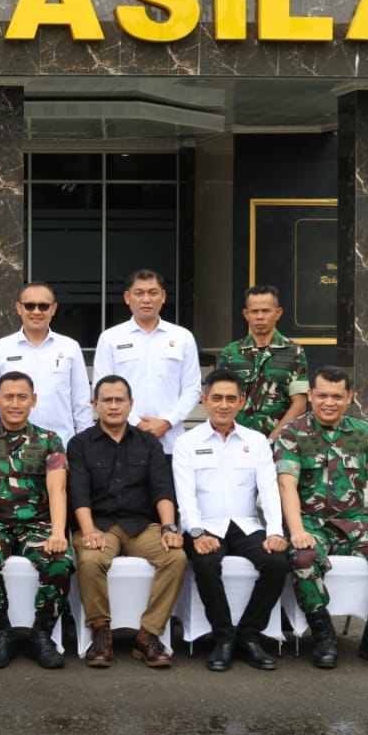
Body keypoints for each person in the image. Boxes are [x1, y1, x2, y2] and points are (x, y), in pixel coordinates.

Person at [277, 365, 368, 670]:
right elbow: (286, 485)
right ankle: (324, 636)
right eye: (323, 395)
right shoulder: (293, 433)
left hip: (354, 522)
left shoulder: (362, 432)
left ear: (349, 397)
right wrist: (297, 529)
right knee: (302, 558)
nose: (330, 402)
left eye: (337, 396)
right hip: (312, 523)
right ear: (310, 395)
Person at [172, 369, 289, 672]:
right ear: (204, 401)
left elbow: (270, 490)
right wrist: (196, 533)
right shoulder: (187, 443)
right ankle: (223, 637)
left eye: (230, 399)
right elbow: (185, 498)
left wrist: (275, 531)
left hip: (246, 524)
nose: (223, 405)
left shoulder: (257, 441)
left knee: (277, 562)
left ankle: (249, 634)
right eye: (217, 398)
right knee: (207, 564)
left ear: (242, 402)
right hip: (205, 525)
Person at [68, 375, 186, 669]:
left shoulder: (148, 442)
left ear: (130, 404)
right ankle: (100, 632)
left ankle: (148, 635)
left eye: (120, 400)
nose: (113, 406)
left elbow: (162, 488)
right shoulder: (80, 443)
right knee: (91, 559)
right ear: (95, 405)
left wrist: (169, 527)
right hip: (99, 525)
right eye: (106, 400)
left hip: (141, 525)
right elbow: (78, 493)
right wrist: (88, 531)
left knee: (177, 557)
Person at [0, 371, 71, 670]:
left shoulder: (49, 440)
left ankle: (41, 635)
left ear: (33, 400)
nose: (15, 403)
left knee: (61, 559)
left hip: (36, 524)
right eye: (8, 397)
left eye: (22, 397)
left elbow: (57, 488)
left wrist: (59, 531)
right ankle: (3, 634)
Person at [92, 268, 201, 457]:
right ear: (127, 297)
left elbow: (193, 389)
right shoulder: (110, 338)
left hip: (171, 443)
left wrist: (167, 422)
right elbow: (102, 390)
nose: (146, 299)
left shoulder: (182, 337)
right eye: (139, 293)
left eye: (152, 293)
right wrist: (136, 423)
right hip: (122, 440)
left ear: (163, 296)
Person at [0, 282, 92, 442]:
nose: (36, 311)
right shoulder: (1, 348)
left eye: (43, 306)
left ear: (53, 309)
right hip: (11, 450)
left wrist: (85, 444)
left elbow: (81, 402)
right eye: (30, 306)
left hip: (60, 446)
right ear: (19, 308)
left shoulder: (70, 348)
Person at [216, 284, 309, 440]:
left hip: (279, 442)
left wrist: (273, 438)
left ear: (278, 313)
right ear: (246, 314)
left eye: (266, 311)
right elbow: (220, 398)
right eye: (254, 311)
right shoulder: (231, 353)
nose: (260, 317)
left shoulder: (294, 352)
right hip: (236, 440)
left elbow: (299, 404)